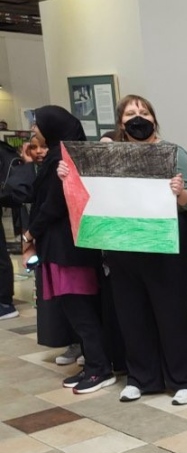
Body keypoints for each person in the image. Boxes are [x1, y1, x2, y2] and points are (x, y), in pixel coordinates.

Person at [59, 95, 187, 402]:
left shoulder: (173, 153)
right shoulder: (108, 157)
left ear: (154, 118)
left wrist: (179, 194)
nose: (138, 118)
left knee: (172, 313)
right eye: (130, 113)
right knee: (131, 313)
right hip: (123, 245)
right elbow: (86, 192)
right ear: (120, 123)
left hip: (168, 247)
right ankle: (142, 377)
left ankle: (185, 379)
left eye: (144, 112)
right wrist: (68, 176)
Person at [22, 106, 113, 393]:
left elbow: (54, 204)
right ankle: (93, 365)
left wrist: (30, 232)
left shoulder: (64, 159)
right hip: (61, 249)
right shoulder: (57, 157)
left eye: (38, 124)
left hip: (68, 250)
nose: (34, 129)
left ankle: (100, 369)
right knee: (76, 311)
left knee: (81, 311)